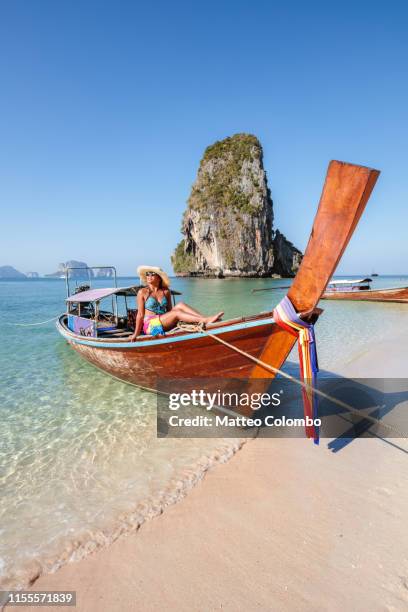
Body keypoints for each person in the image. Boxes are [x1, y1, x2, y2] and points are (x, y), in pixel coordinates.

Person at [130, 266, 224, 341]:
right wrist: (136, 334)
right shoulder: (143, 292)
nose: (149, 276)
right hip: (150, 325)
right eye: (147, 274)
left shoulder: (166, 292)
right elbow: (140, 315)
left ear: (159, 278)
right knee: (176, 313)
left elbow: (170, 311)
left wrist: (179, 320)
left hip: (163, 321)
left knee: (180, 305)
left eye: (152, 274)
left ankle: (204, 320)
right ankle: (206, 320)